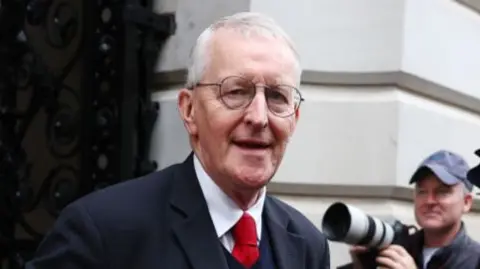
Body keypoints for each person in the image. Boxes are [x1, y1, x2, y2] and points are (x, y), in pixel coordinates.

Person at [25, 12, 331, 269]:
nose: (259, 117)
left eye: (277, 97)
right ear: (189, 110)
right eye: (236, 91)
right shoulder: (103, 231)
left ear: (295, 118)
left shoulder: (306, 245)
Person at [339, 150, 480, 269]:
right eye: (422, 192)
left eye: (442, 192)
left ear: (466, 203)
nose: (429, 201)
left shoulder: (475, 260)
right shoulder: (397, 249)